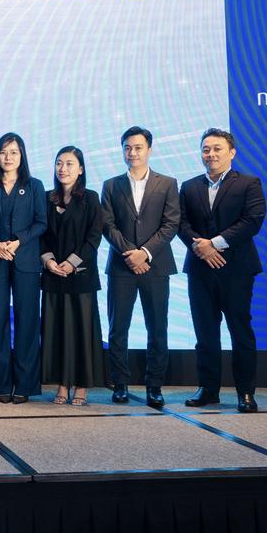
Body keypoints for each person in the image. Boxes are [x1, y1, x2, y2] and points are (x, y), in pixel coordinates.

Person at [179, 128, 267, 413]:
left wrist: (214, 244)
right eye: (206, 149)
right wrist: (201, 248)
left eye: (217, 148)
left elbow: (253, 220)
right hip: (200, 269)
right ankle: (208, 389)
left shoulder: (249, 183)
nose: (211, 154)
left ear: (232, 152)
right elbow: (181, 223)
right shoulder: (189, 186)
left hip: (237, 269)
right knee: (205, 333)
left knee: (240, 331)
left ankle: (246, 393)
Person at [101, 126, 180, 408]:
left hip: (156, 267)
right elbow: (107, 224)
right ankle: (120, 385)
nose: (132, 152)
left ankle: (154, 386)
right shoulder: (111, 185)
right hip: (121, 267)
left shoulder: (167, 183)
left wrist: (144, 253)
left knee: (157, 328)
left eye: (138, 147)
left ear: (149, 150)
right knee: (117, 329)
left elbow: (171, 224)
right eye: (127, 148)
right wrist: (130, 254)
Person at [0, 133, 47, 404]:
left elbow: (41, 222)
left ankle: (25, 384)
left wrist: (18, 242)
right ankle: (0, 384)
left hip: (25, 261)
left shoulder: (35, 185)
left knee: (27, 322)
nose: (8, 157)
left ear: (22, 155)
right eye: (4, 152)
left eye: (14, 152)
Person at [40, 147, 106, 406]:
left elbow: (94, 237)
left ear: (80, 169)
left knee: (81, 332)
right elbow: (41, 235)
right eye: (59, 163)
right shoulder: (47, 198)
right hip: (53, 276)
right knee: (57, 332)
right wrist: (48, 261)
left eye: (69, 163)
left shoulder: (90, 198)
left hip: (80, 276)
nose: (63, 168)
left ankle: (81, 385)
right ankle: (61, 383)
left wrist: (71, 262)